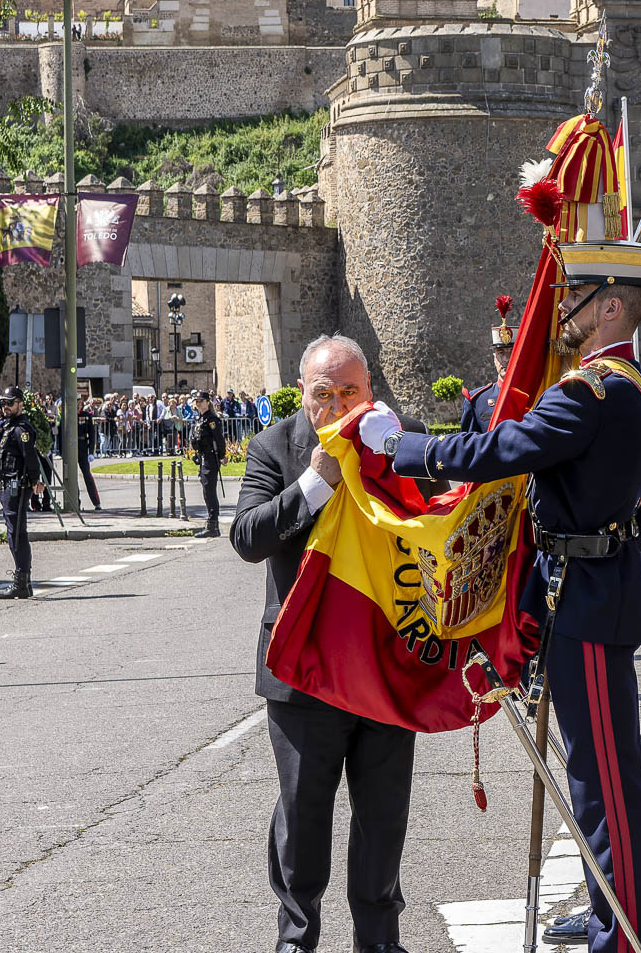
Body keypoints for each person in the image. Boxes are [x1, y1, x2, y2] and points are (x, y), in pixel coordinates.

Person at [378, 240, 641, 953]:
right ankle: (618, 921)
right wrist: (610, 536)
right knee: (603, 778)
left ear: (611, 306)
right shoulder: (638, 388)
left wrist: (410, 449)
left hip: (582, 603)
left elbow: (500, 451)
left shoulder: (591, 391)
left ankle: (626, 937)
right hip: (595, 592)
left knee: (604, 783)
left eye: (574, 297)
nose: (560, 310)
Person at [231, 334, 428, 953]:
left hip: (383, 665)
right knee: (303, 811)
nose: (339, 407)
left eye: (350, 392)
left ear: (371, 392)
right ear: (302, 394)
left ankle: (379, 940)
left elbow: (439, 520)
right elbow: (247, 537)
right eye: (324, 394)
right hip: (303, 668)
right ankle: (297, 938)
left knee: (383, 816)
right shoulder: (274, 446)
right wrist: (315, 482)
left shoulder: (404, 438)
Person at [0, 387, 43, 600]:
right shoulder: (7, 426)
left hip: (16, 485)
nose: (5, 407)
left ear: (20, 404)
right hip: (7, 484)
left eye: (10, 403)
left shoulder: (21, 429)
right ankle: (24, 582)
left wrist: (35, 480)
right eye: (3, 403)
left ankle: (21, 581)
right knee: (13, 532)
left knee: (16, 533)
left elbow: (30, 456)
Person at [460, 295, 520, 434]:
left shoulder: (534, 394)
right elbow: (468, 447)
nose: (505, 359)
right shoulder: (477, 400)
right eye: (500, 353)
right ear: (494, 358)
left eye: (511, 352)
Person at [189, 391, 226, 539]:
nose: (198, 403)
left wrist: (222, 456)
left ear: (207, 402)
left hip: (211, 457)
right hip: (203, 457)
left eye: (201, 401)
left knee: (209, 491)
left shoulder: (212, 420)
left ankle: (213, 525)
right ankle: (211, 523)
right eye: (196, 401)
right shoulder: (200, 418)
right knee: (206, 490)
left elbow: (219, 439)